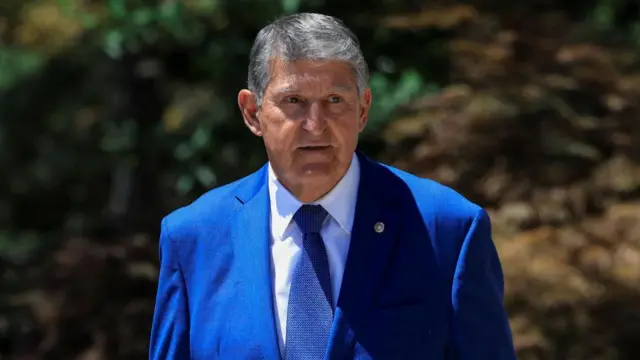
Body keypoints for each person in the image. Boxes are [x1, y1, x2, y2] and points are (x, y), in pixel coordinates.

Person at [149, 12, 517, 360]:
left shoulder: (447, 230)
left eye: (335, 101)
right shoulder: (194, 237)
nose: (315, 124)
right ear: (252, 112)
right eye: (293, 101)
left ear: (362, 109)